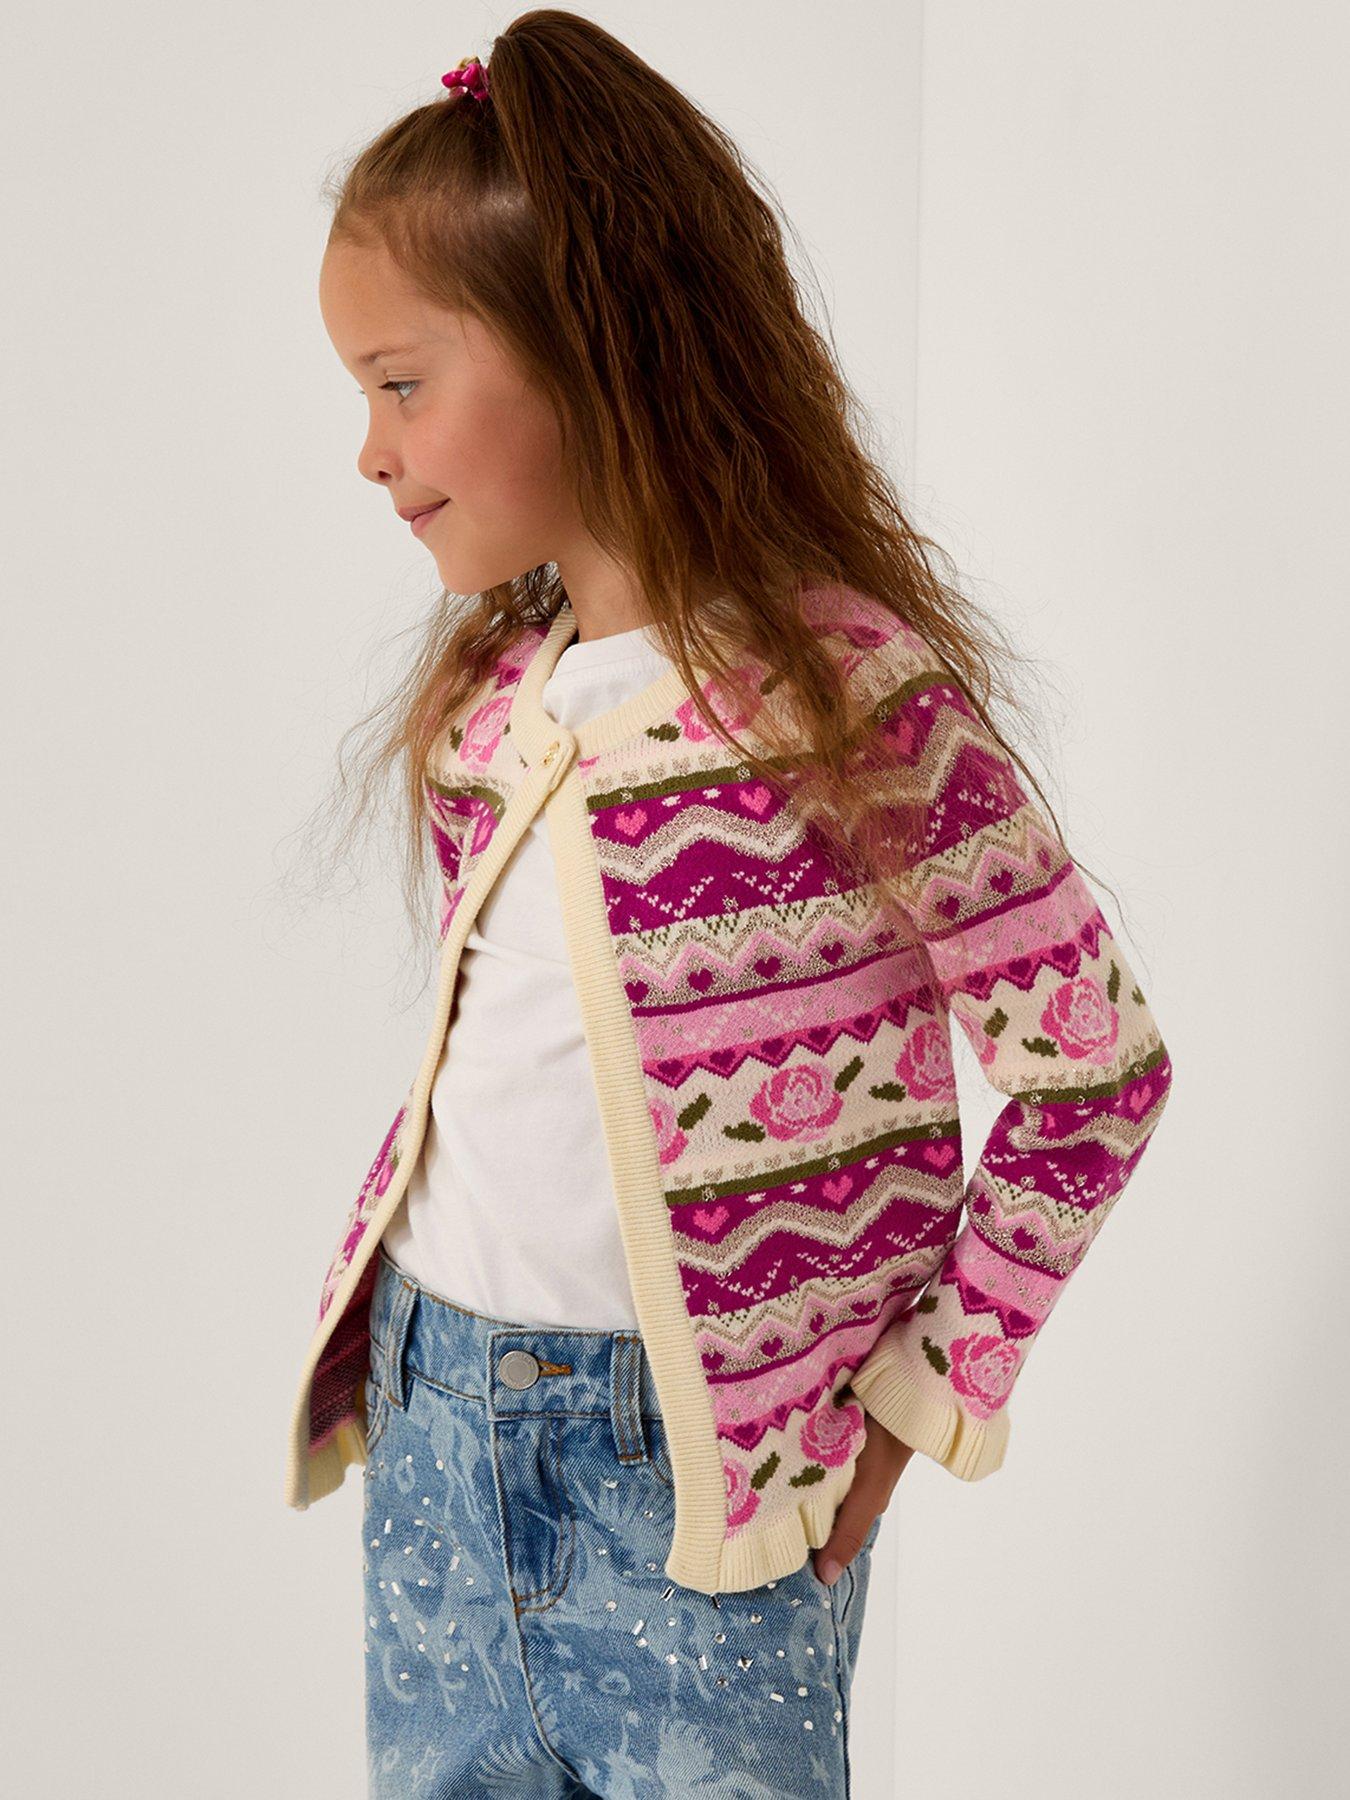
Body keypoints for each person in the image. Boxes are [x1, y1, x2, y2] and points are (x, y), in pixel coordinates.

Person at [285, 13, 1175, 1796]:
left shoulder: (851, 707)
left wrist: (930, 1385)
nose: (368, 453)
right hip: (436, 1420)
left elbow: (1094, 1067)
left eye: (399, 384)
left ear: (586, 347)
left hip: (700, 1481)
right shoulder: (488, 710)